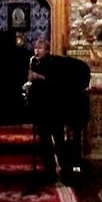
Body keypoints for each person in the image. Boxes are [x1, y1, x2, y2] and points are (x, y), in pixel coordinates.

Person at [26, 39, 64, 180]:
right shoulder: (35, 62)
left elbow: (54, 81)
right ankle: (49, 169)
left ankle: (62, 168)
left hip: (52, 105)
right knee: (44, 138)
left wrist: (37, 76)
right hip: (40, 105)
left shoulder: (52, 63)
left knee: (57, 137)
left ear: (47, 50)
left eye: (40, 48)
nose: (36, 51)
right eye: (35, 48)